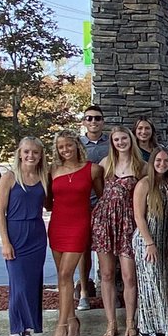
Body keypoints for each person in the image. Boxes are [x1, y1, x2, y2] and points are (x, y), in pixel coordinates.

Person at [48, 130, 104, 336]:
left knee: (65, 274)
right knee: (63, 279)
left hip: (80, 225)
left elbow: (102, 199)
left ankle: (60, 327)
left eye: (69, 145)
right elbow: (47, 202)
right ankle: (72, 321)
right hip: (57, 226)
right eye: (61, 147)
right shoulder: (52, 170)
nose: (65, 150)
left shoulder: (93, 170)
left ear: (77, 145)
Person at [0, 136, 48, 336]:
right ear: (19, 153)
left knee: (32, 284)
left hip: (36, 234)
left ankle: (28, 329)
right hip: (16, 234)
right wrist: (5, 242)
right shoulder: (9, 177)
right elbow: (0, 211)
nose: (30, 156)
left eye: (35, 152)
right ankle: (15, 330)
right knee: (18, 285)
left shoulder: (43, 176)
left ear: (40, 155)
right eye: (26, 151)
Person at [93, 125, 144, 336]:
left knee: (129, 275)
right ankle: (111, 322)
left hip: (129, 223)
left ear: (130, 140)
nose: (120, 142)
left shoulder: (141, 166)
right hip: (105, 223)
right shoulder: (105, 164)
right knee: (106, 274)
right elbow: (99, 191)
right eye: (116, 140)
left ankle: (130, 321)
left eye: (124, 138)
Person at [132, 147, 168, 336]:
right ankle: (145, 326)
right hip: (146, 239)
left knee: (161, 282)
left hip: (163, 238)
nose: (162, 164)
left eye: (166, 161)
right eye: (158, 161)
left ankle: (162, 325)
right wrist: (149, 242)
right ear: (152, 162)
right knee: (149, 283)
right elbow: (139, 216)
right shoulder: (144, 184)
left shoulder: (167, 184)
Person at [76, 104, 109, 311]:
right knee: (83, 250)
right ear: (84, 122)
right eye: (89, 118)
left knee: (107, 248)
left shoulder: (111, 144)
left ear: (102, 121)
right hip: (83, 203)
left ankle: (110, 290)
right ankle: (84, 292)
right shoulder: (78, 145)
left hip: (106, 203)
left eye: (97, 118)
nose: (93, 122)